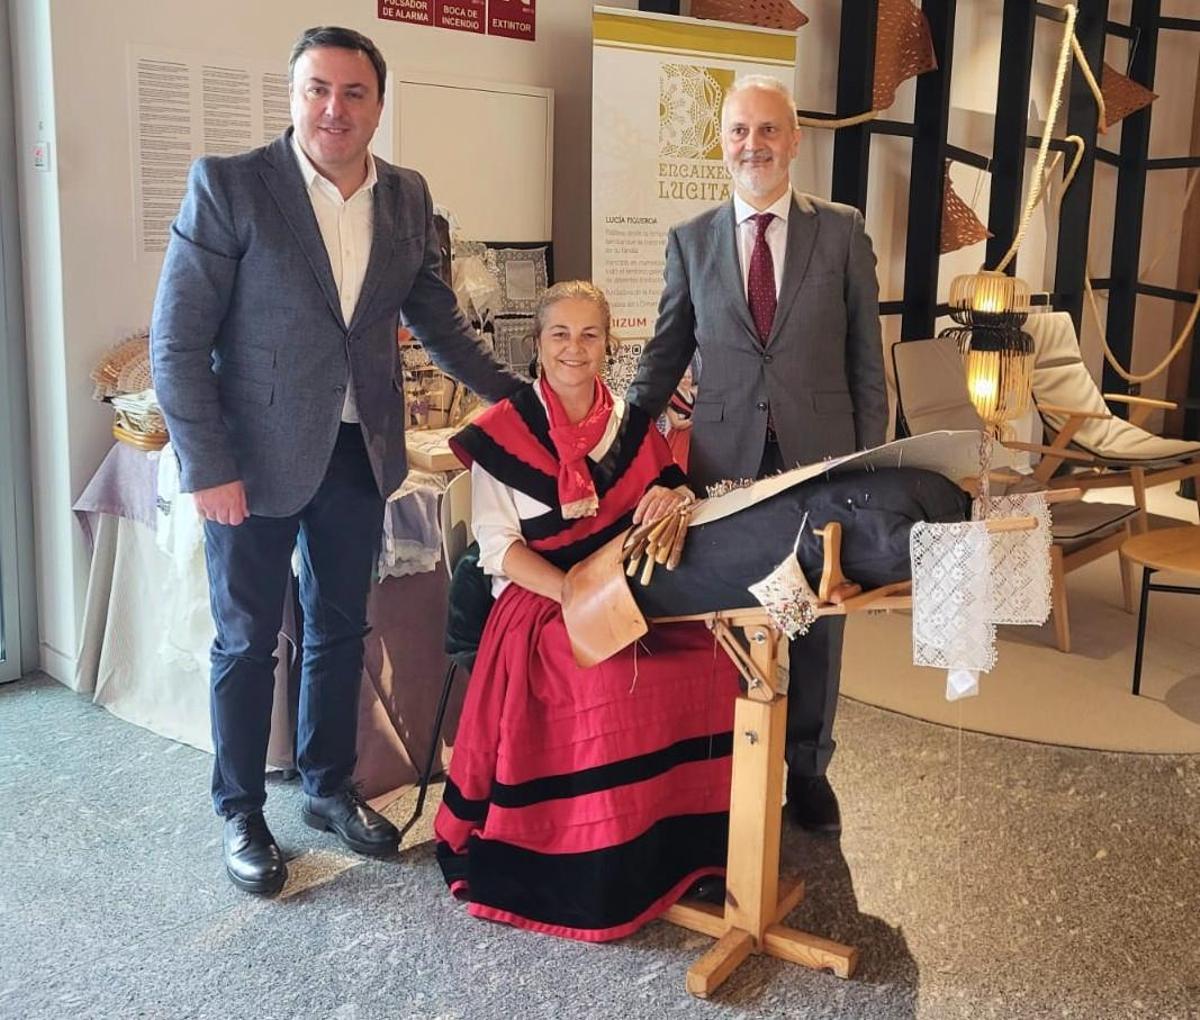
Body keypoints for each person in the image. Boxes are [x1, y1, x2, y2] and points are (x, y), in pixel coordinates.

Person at [151, 25, 523, 896]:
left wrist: (524, 397)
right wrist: (209, 467)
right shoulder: (231, 186)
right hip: (250, 460)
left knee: (340, 628)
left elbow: (434, 317)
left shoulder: (404, 197)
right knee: (246, 642)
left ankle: (326, 787)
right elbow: (176, 344)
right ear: (293, 97)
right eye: (318, 89)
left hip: (360, 455)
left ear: (379, 107)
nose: (335, 109)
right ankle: (241, 812)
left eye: (355, 94)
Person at [433, 281, 740, 941]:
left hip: (631, 590)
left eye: (590, 334)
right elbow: (499, 550)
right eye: (560, 335)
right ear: (537, 345)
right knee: (603, 681)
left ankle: (685, 852)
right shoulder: (502, 431)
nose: (575, 348)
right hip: (542, 600)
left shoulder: (632, 426)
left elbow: (670, 488)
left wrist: (675, 501)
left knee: (717, 663)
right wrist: (575, 594)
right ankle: (602, 866)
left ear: (609, 345)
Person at [626, 75, 888, 836]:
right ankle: (726, 763)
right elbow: (665, 355)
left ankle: (807, 770)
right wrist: (618, 444)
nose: (753, 146)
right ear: (722, 143)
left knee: (815, 615)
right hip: (724, 463)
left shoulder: (840, 231)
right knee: (732, 617)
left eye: (768, 130)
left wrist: (870, 468)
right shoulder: (691, 239)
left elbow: (866, 361)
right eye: (739, 131)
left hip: (822, 464)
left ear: (795, 139)